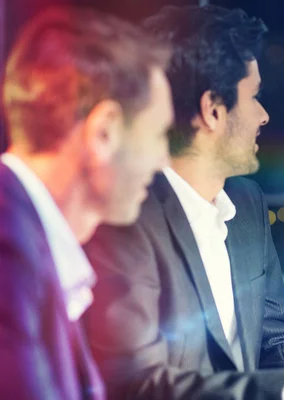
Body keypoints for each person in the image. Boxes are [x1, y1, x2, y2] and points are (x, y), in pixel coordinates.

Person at [82, 5, 284, 400]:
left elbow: (278, 335)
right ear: (213, 111)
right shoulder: (126, 221)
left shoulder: (246, 202)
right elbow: (139, 387)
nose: (263, 115)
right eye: (254, 96)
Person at [0, 6, 173, 399]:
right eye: (158, 134)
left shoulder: (30, 242)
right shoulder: (8, 253)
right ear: (104, 133)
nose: (163, 161)